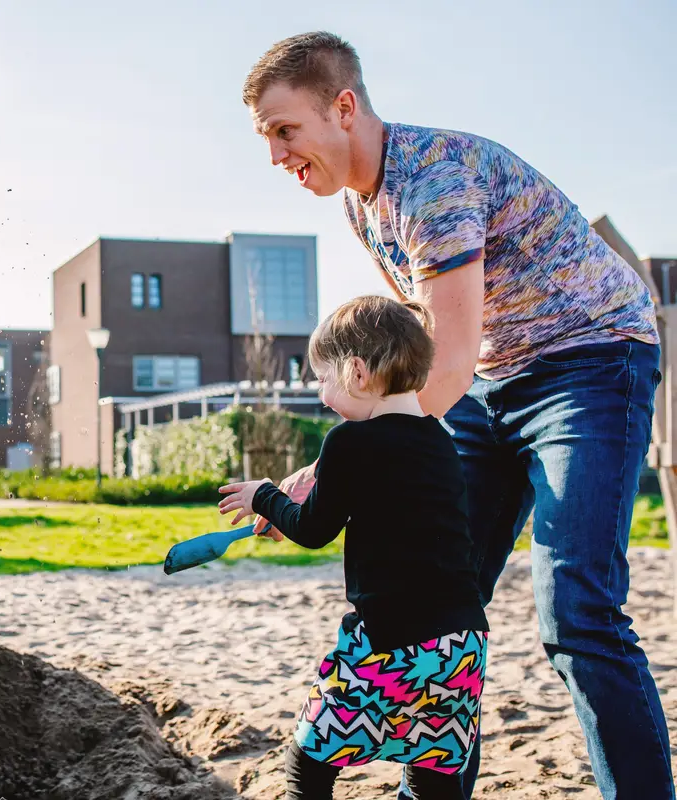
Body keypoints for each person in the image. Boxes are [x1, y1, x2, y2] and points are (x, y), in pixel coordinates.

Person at [242, 32, 672, 799]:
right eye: (266, 138)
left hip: (590, 361)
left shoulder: (433, 181)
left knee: (577, 610)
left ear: (343, 108)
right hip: (486, 378)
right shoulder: (361, 207)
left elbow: (441, 370)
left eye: (285, 130)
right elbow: (422, 346)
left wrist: (332, 471)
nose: (276, 155)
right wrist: (327, 475)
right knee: (435, 599)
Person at [220, 296, 489, 799]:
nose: (323, 396)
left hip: (389, 641)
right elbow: (390, 508)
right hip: (461, 646)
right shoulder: (441, 441)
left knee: (308, 759)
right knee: (432, 766)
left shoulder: (347, 442)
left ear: (358, 372)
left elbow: (313, 530)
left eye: (324, 379)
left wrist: (265, 497)